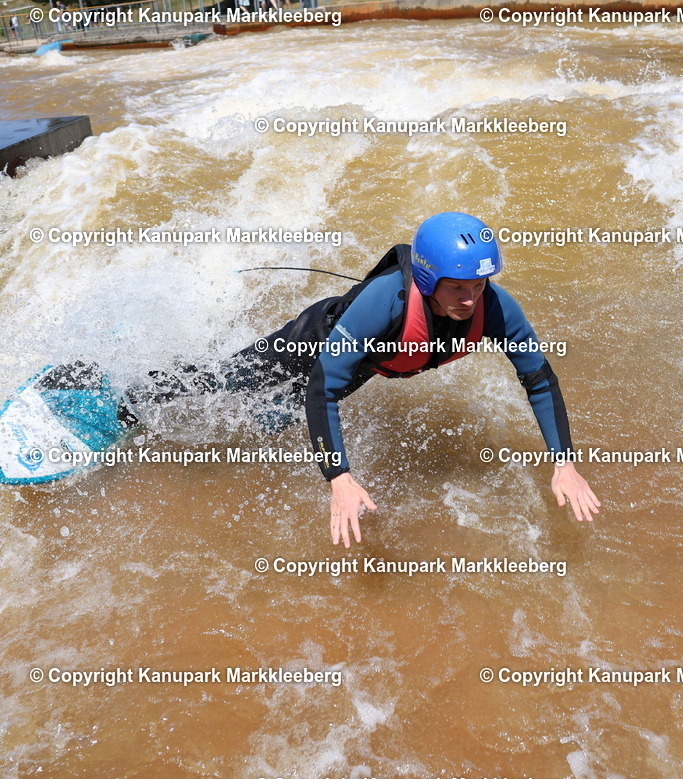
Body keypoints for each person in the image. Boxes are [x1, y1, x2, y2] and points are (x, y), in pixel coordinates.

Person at [132, 213, 601, 547]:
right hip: (310, 341)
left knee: (269, 422)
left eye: (478, 286)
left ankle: (190, 440)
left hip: (366, 365)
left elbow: (540, 380)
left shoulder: (495, 308)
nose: (470, 299)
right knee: (224, 383)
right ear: (426, 277)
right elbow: (324, 385)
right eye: (458, 288)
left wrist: (565, 464)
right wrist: (339, 477)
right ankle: (132, 399)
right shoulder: (387, 301)